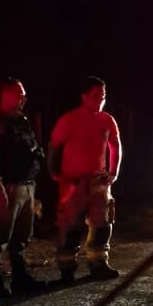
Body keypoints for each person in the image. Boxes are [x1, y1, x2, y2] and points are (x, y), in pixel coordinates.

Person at [48, 76, 122, 282]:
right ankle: (67, 269)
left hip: (99, 181)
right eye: (96, 96)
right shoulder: (69, 120)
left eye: (103, 96)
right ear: (84, 97)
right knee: (69, 225)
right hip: (73, 181)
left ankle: (98, 263)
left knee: (102, 224)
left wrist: (114, 171)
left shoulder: (107, 120)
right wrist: (55, 173)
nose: (100, 100)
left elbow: (115, 146)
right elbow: (54, 147)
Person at [0, 77, 45, 299]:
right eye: (17, 94)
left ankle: (20, 277)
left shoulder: (21, 121)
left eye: (23, 94)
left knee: (22, 235)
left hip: (26, 186)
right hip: (8, 187)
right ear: (3, 96)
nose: (22, 98)